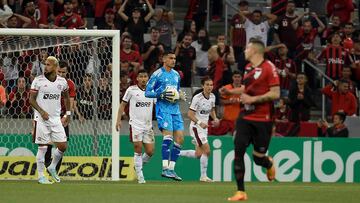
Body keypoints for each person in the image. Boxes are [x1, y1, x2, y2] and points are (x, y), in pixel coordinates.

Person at [220, 39, 280, 201]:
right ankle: (241, 192)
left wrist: (254, 100)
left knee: (258, 158)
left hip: (263, 119)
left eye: (247, 48)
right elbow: (247, 89)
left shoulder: (269, 68)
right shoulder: (248, 68)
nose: (244, 50)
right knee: (238, 150)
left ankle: (268, 163)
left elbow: (275, 93)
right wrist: (231, 92)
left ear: (254, 51)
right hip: (245, 117)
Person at [145, 51, 186, 181]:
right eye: (171, 58)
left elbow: (176, 90)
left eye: (175, 58)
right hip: (163, 109)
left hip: (175, 109)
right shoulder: (157, 75)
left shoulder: (176, 75)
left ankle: (171, 169)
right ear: (164, 59)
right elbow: (147, 92)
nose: (173, 60)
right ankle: (164, 168)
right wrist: (160, 94)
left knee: (180, 139)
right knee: (168, 137)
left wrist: (180, 95)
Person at [29, 56, 71, 184]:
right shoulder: (38, 80)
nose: (45, 66)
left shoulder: (62, 82)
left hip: (55, 119)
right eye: (45, 64)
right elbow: (31, 99)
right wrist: (41, 112)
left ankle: (52, 167)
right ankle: (41, 176)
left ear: (55, 67)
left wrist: (68, 114)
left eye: (48, 64)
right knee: (43, 147)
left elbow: (66, 98)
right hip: (41, 119)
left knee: (63, 146)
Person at [116, 69, 156, 184]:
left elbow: (158, 106)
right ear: (137, 78)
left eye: (145, 77)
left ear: (148, 78)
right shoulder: (131, 90)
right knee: (138, 148)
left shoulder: (152, 91)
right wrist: (118, 120)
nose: (143, 79)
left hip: (148, 126)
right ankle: (140, 176)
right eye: (141, 77)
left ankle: (138, 166)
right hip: (135, 125)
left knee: (150, 151)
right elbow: (122, 104)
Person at [180, 77, 219, 182]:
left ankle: (176, 153)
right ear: (202, 86)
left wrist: (215, 118)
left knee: (199, 154)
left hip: (203, 128)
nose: (210, 87)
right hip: (196, 127)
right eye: (207, 84)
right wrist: (199, 122)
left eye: (211, 85)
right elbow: (190, 114)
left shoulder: (212, 97)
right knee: (207, 151)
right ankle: (203, 176)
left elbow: (212, 110)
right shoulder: (197, 98)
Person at [44, 60, 76, 172]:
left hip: (62, 116)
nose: (61, 74)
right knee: (46, 143)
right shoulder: (46, 82)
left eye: (64, 72)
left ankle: (55, 171)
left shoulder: (70, 84)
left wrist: (67, 116)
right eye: (59, 72)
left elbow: (70, 101)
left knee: (62, 145)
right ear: (55, 70)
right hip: (48, 116)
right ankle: (47, 165)